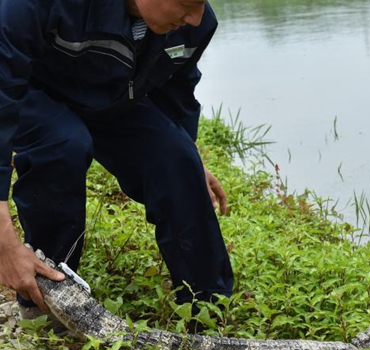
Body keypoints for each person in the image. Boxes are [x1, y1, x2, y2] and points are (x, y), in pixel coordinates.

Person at [0, 0, 234, 320]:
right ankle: (42, 306)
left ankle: (209, 311)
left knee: (178, 161)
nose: (196, 18)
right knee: (63, 144)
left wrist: (191, 162)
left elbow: (176, 91)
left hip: (107, 94)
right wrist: (4, 246)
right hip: (29, 87)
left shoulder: (194, 25)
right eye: (186, 3)